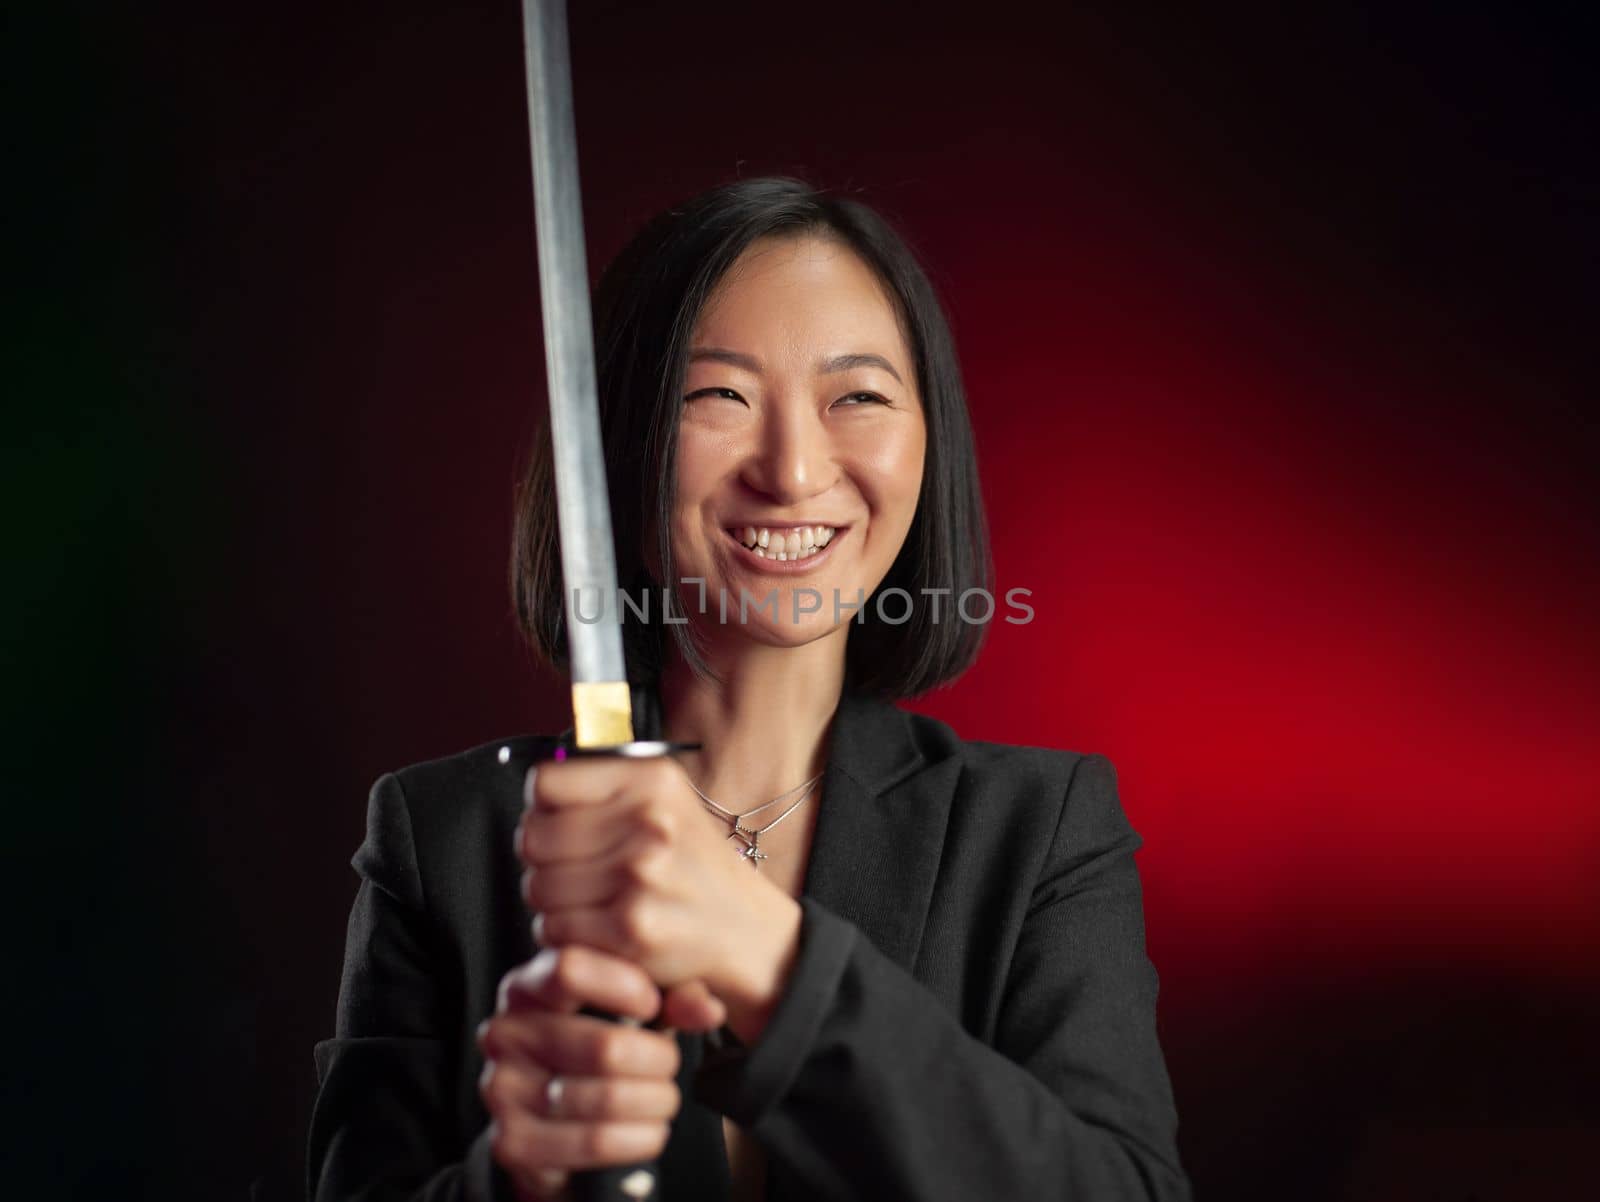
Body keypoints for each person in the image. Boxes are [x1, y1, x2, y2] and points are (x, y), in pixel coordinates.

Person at [307, 177, 1191, 1202]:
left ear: (927, 441)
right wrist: (515, 1177)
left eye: (856, 396)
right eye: (716, 394)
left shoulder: (1040, 830)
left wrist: (777, 965)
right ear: (619, 448)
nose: (793, 468)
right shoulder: (440, 834)